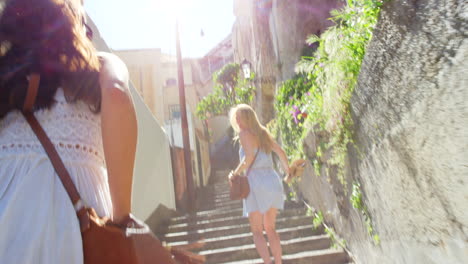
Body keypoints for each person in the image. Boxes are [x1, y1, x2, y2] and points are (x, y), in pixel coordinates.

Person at [0, 0, 137, 263]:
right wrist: (121, 220)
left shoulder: (5, 77)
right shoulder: (100, 66)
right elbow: (117, 96)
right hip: (77, 228)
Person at [229, 104, 290, 264]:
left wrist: (235, 173)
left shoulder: (244, 134)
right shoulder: (263, 133)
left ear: (247, 118)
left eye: (239, 116)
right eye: (235, 117)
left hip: (256, 183)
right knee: (270, 229)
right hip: (272, 180)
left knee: (257, 231)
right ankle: (278, 262)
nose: (237, 120)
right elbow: (280, 152)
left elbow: (248, 157)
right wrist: (288, 171)